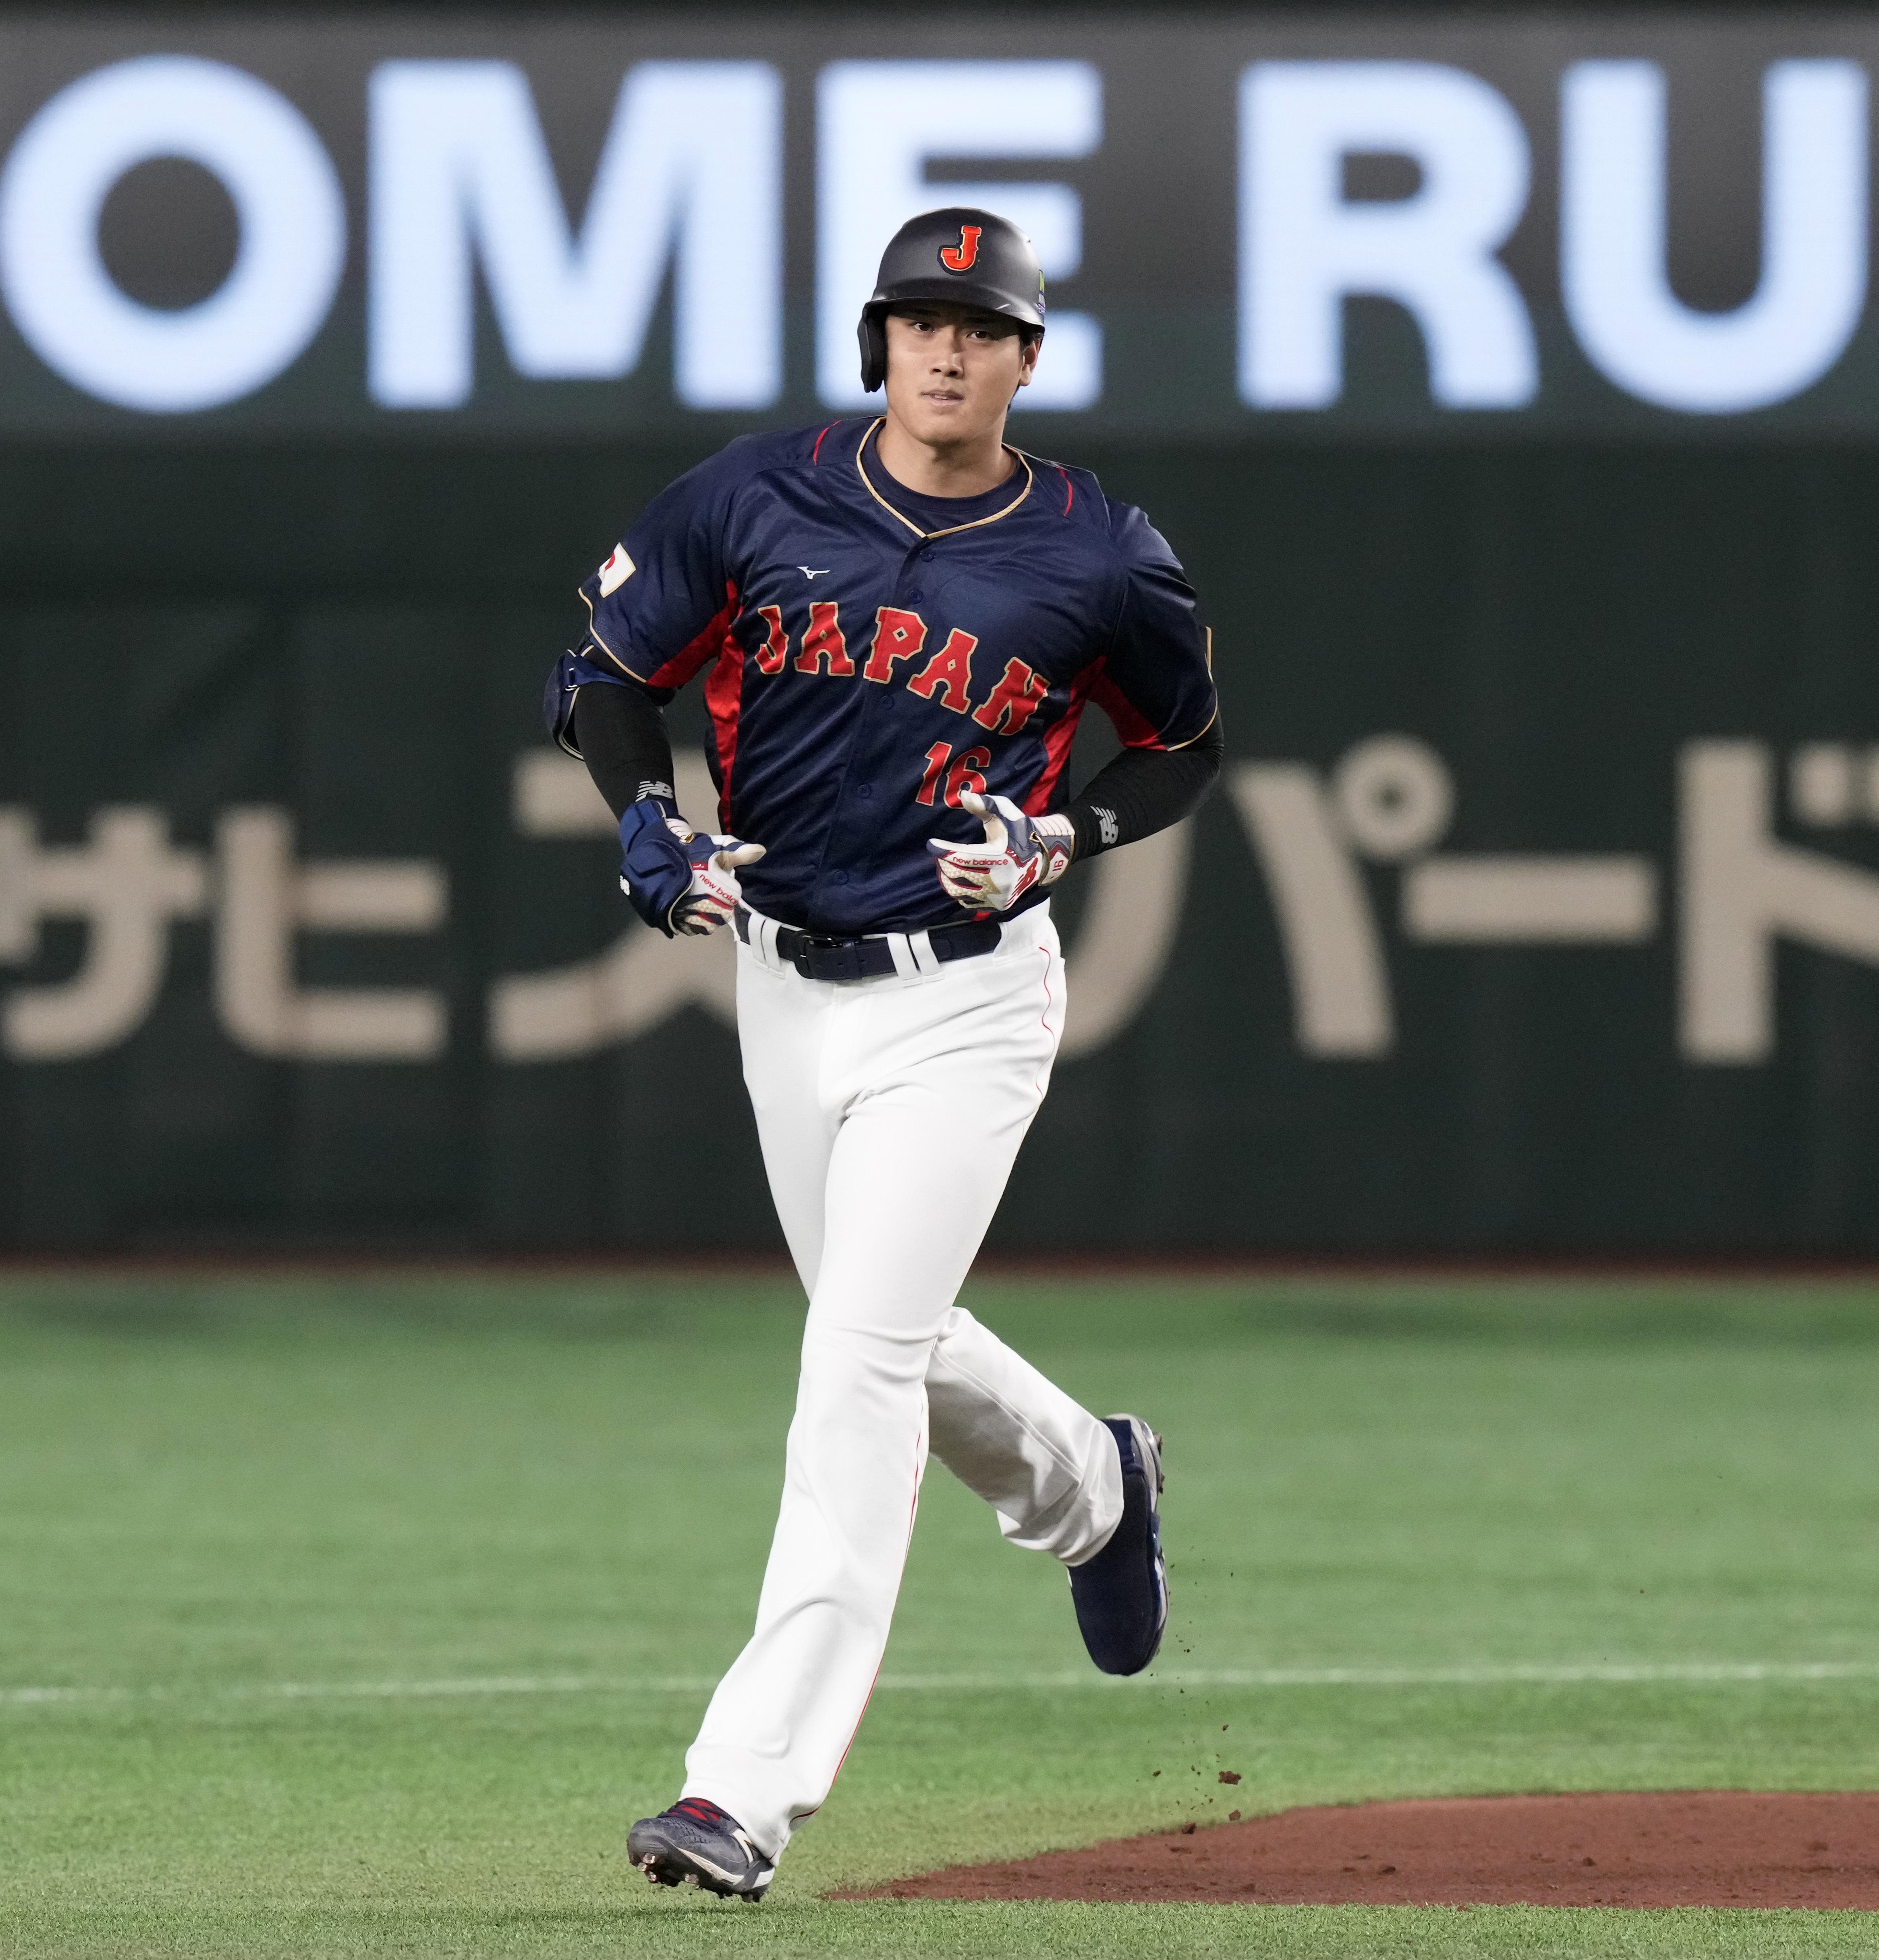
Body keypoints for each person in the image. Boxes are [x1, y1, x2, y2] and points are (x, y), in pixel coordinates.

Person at [542, 207, 1225, 1902]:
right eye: (919, 317)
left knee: (850, 1362)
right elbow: (606, 677)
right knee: (892, 1345)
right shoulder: (754, 498)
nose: (946, 346)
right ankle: (1092, 1482)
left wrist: (1066, 831)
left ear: (1023, 359)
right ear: (879, 342)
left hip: (969, 992)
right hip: (786, 981)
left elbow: (1186, 751)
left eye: (979, 325)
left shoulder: (1096, 550)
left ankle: (745, 1787)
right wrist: (644, 813)